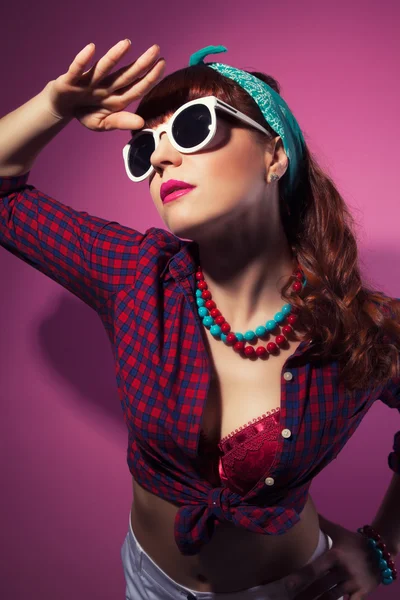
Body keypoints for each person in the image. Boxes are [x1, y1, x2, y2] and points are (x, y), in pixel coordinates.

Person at [0, 39, 399, 600]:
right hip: (151, 582)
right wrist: (53, 105)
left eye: (192, 127)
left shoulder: (364, 327)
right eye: (144, 148)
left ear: (274, 154)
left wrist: (384, 544)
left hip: (294, 588)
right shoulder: (135, 274)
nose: (160, 158)